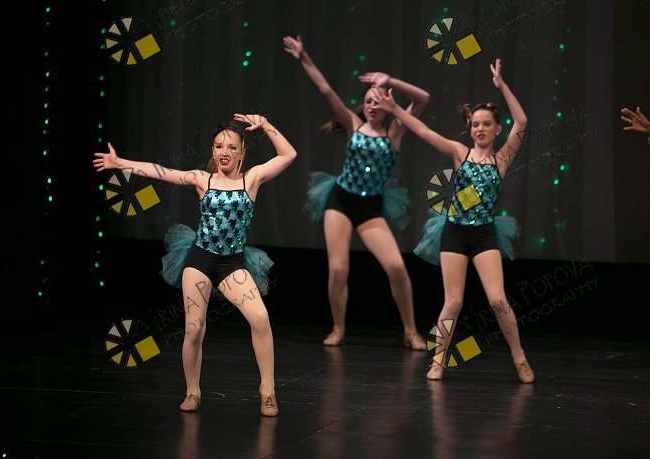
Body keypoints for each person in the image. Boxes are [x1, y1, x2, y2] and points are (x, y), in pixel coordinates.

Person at [92, 114, 297, 415]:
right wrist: (120, 163)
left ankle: (267, 391)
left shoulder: (251, 179)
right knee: (193, 328)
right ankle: (192, 392)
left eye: (232, 147)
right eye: (219, 146)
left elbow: (288, 154)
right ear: (212, 151)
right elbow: (163, 172)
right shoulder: (203, 179)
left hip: (232, 264)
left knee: (260, 318)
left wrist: (265, 124)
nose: (225, 151)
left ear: (242, 152)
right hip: (200, 259)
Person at [377, 58, 534, 383]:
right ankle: (438, 361)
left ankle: (519, 357)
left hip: (484, 234)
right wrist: (395, 110)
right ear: (470, 127)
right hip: (454, 233)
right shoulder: (459, 153)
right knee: (453, 301)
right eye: (475, 124)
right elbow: (422, 130)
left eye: (486, 124)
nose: (480, 129)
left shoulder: (501, 159)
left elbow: (521, 121)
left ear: (496, 129)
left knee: (497, 299)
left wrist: (502, 85)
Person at [283, 34, 429, 349]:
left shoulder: (395, 131)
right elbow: (325, 89)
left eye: (378, 101)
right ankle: (338, 327)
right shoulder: (353, 124)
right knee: (338, 268)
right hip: (340, 200)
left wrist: (391, 82)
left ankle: (410, 331)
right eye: (368, 101)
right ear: (363, 106)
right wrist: (304, 56)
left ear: (388, 105)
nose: (373, 106)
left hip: (370, 208)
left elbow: (423, 98)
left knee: (396, 267)